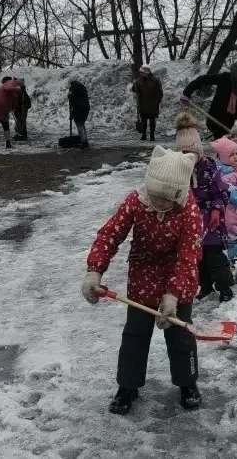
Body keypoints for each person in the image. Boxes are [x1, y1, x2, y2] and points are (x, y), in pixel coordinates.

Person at [82, 146, 203, 413]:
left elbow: (188, 256)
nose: (157, 202)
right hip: (142, 276)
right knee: (135, 335)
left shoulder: (189, 211)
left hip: (179, 276)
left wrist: (173, 294)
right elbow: (110, 234)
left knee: (180, 335)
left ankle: (188, 383)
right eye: (154, 195)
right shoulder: (137, 201)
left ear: (177, 194)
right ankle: (128, 386)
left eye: (165, 199)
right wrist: (94, 270)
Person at [174, 112, 234, 302]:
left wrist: (216, 209)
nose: (187, 158)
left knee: (214, 255)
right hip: (189, 220)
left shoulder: (210, 169)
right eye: (183, 154)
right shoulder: (179, 170)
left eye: (190, 153)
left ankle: (225, 287)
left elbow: (222, 192)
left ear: (198, 151)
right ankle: (205, 285)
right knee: (196, 257)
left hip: (210, 219)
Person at [181, 57, 237, 139]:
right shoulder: (226, 79)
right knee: (222, 145)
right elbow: (203, 79)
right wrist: (187, 93)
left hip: (236, 130)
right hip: (218, 122)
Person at [132, 64, 163, 141]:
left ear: (147, 72)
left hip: (153, 104)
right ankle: (144, 135)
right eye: (141, 72)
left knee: (152, 120)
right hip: (143, 104)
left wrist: (157, 101)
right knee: (143, 121)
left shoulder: (156, 80)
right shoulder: (138, 81)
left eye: (142, 72)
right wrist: (134, 84)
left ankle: (152, 135)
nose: (141, 74)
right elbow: (134, 90)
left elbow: (160, 92)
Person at [68, 80, 90, 148]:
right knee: (82, 124)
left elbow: (74, 102)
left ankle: (84, 142)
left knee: (79, 125)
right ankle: (85, 141)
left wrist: (69, 96)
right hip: (86, 108)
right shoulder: (82, 87)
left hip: (79, 109)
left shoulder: (73, 89)